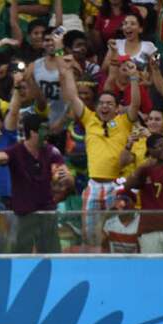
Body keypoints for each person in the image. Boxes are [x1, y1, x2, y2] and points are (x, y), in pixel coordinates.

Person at [54, 29, 139, 247]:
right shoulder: (89, 119)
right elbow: (72, 96)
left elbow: (135, 105)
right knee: (90, 234)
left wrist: (134, 78)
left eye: (109, 103)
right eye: (102, 103)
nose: (105, 106)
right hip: (93, 185)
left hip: (116, 186)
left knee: (115, 234)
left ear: (116, 107)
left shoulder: (124, 121)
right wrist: (66, 68)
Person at [0, 116, 73, 253]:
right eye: (44, 129)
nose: (48, 133)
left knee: (52, 257)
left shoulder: (52, 151)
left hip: (47, 214)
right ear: (32, 132)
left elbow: (68, 180)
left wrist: (67, 178)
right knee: (21, 258)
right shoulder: (14, 151)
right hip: (23, 217)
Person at [124, 133, 163, 254]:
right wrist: (142, 167)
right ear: (150, 150)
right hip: (149, 230)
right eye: (159, 146)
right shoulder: (144, 170)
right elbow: (127, 186)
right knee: (151, 265)